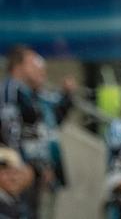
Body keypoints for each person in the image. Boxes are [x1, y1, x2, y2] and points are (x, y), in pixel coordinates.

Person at [0, 45, 73, 219]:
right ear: (18, 66)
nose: (40, 67)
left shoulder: (35, 94)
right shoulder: (10, 91)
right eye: (34, 62)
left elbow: (52, 123)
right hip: (21, 174)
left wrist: (67, 96)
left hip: (39, 175)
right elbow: (9, 132)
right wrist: (20, 168)